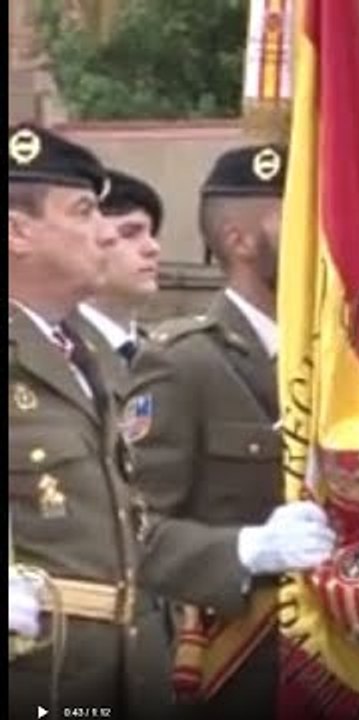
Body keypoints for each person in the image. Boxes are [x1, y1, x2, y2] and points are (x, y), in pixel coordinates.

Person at [126, 144, 333, 719]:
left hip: (344, 668)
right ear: (240, 241)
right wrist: (247, 550)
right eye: (301, 220)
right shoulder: (183, 363)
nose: (325, 235)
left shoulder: (345, 358)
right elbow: (133, 535)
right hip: (239, 671)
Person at [8, 123, 173, 719]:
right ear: (16, 232)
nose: (102, 234)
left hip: (123, 671)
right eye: (83, 212)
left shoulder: (90, 356)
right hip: (35, 682)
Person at [71, 168, 163, 392]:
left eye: (152, 234)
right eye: (130, 233)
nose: (153, 248)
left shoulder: (164, 356)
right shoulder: (54, 351)